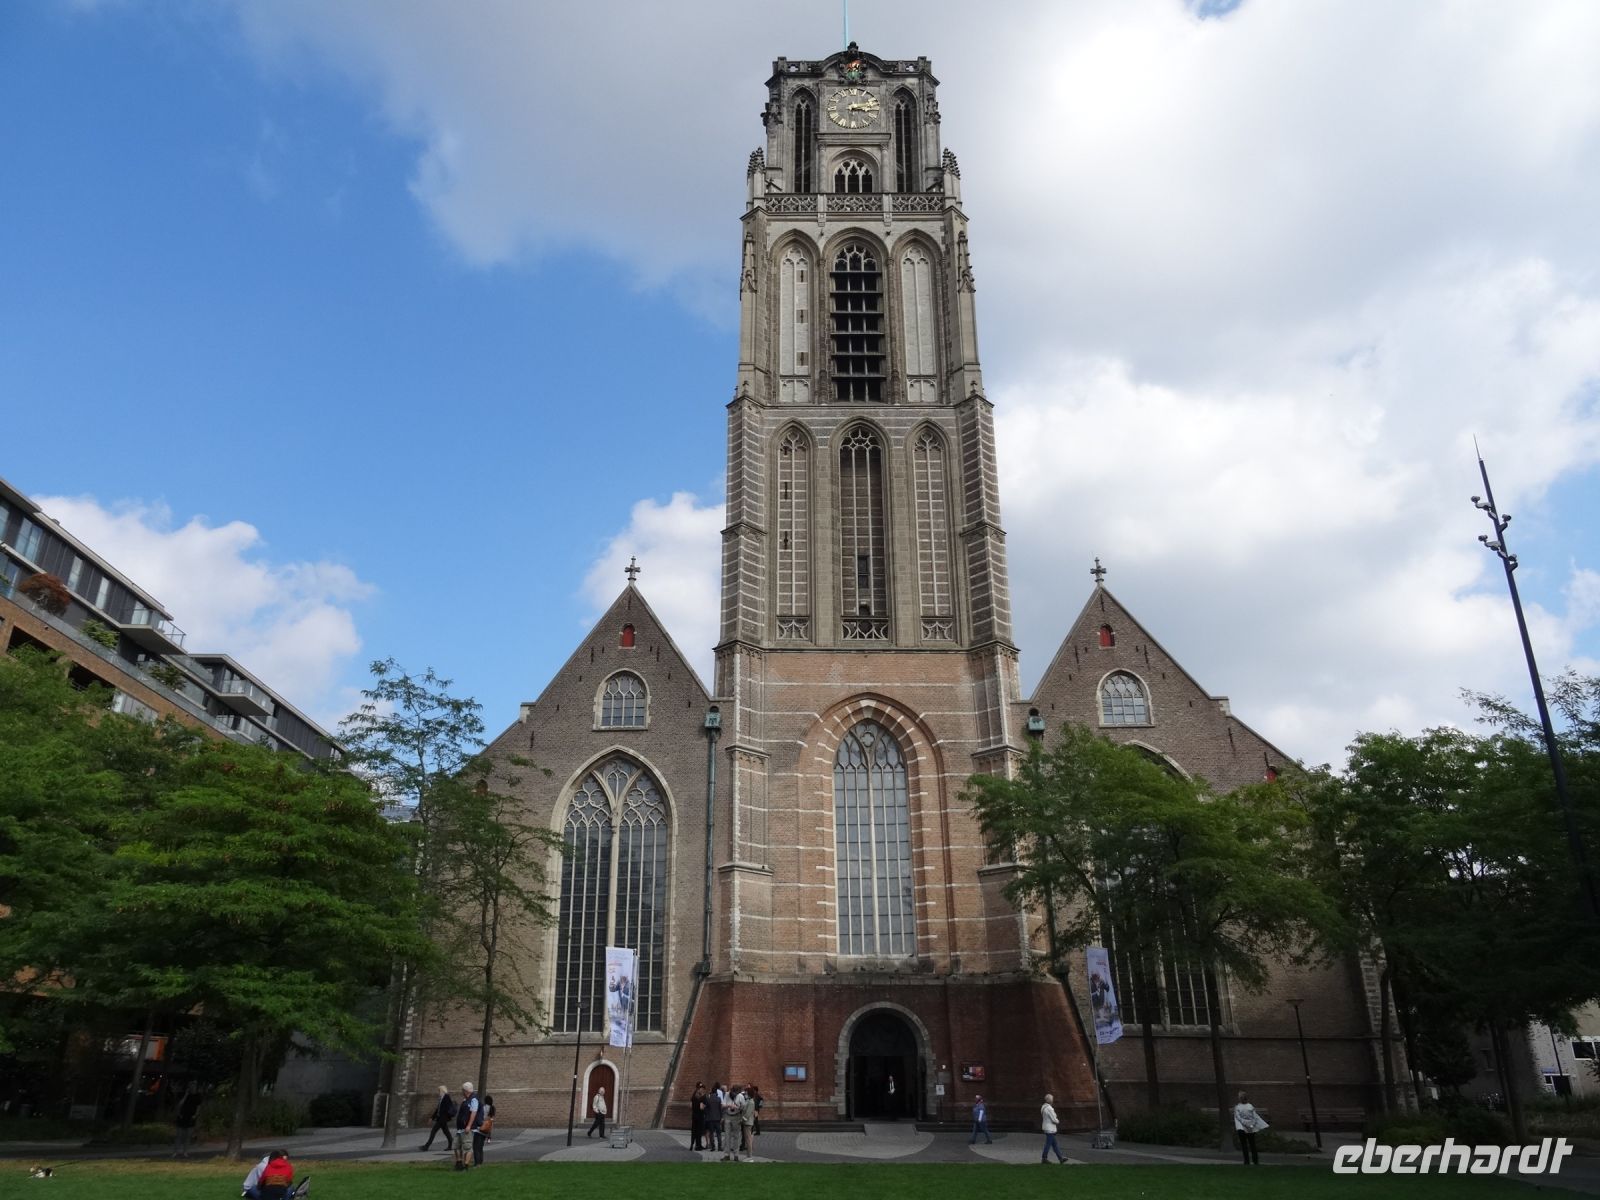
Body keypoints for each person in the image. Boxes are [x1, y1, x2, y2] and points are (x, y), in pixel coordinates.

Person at [1233, 1090, 1267, 1166]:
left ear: (1240, 1098)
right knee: (1252, 1144)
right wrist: (1251, 1125)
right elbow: (1255, 1117)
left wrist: (1245, 1124)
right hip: (1251, 1128)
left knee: (1244, 1145)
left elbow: (1238, 1117)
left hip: (1241, 1128)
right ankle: (1255, 1161)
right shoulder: (1250, 1106)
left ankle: (1246, 1161)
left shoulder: (1237, 1107)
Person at [420, 1084, 456, 1151]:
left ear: (442, 1091)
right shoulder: (441, 1098)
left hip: (442, 1118)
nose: (438, 1092)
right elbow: (438, 1109)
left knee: (433, 1131)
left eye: (439, 1090)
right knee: (446, 1132)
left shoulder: (446, 1097)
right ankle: (450, 1145)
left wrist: (444, 1116)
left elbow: (448, 1108)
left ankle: (426, 1146)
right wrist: (432, 1118)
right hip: (440, 1118)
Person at [453, 1082, 480, 1171]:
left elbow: (473, 1113)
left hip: (468, 1128)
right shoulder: (465, 1100)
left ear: (465, 1091)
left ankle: (466, 1165)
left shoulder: (473, 1100)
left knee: (467, 1147)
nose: (461, 1092)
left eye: (462, 1090)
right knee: (456, 1146)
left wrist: (469, 1125)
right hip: (460, 1128)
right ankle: (459, 1163)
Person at [172, 1084, 202, 1157]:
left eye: (193, 1087)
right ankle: (176, 1152)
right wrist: (186, 1095)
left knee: (188, 1136)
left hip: (191, 1117)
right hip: (182, 1117)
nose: (192, 1088)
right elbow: (180, 1104)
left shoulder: (198, 1096)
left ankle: (185, 1152)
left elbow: (199, 1107)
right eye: (190, 1087)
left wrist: (195, 1115)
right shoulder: (182, 1094)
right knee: (179, 1135)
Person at [1040, 1093, 1065, 1163]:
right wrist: (1058, 1121)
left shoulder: (1043, 1107)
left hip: (1046, 1127)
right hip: (1050, 1129)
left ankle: (1060, 1158)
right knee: (1048, 1144)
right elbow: (1054, 1120)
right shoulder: (1049, 1108)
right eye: (1052, 1099)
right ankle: (1044, 1158)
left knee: (1054, 1144)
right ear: (1050, 1100)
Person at [720, 1085, 742, 1161]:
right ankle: (727, 1155)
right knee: (727, 1136)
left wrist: (737, 1107)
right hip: (728, 1116)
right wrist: (729, 1105)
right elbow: (722, 1105)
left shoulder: (740, 1096)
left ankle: (736, 1155)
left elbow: (743, 1107)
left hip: (736, 1116)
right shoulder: (726, 1094)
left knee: (736, 1136)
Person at [472, 1095, 495, 1167]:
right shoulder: (492, 1109)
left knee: (476, 1147)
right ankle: (481, 1161)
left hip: (479, 1129)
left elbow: (479, 1118)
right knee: (480, 1147)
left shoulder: (483, 1108)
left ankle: (477, 1163)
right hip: (486, 1130)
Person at [739, 1084, 757, 1156]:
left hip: (748, 1123)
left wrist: (742, 1120)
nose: (745, 1094)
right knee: (747, 1139)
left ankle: (749, 1155)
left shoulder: (751, 1102)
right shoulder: (748, 1101)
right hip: (746, 1122)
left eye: (746, 1093)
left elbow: (748, 1113)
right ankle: (748, 1155)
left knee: (748, 1139)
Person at [690, 1082, 706, 1150]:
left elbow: (690, 1106)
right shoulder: (701, 1097)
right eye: (702, 1088)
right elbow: (701, 1107)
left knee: (694, 1130)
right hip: (699, 1116)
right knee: (699, 1131)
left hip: (694, 1115)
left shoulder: (693, 1096)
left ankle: (692, 1144)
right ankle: (698, 1145)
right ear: (699, 1088)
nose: (702, 1090)